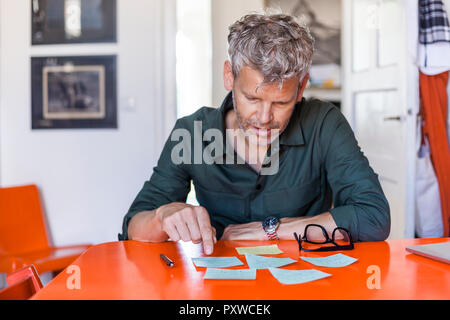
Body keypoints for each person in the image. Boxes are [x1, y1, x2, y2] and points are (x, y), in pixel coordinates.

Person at [118, 13, 390, 255]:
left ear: (302, 87)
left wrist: (270, 229)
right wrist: (162, 215)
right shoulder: (192, 132)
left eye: (281, 103)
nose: (263, 118)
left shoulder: (324, 123)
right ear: (229, 76)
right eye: (251, 98)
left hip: (309, 281)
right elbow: (133, 228)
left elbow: (374, 217)